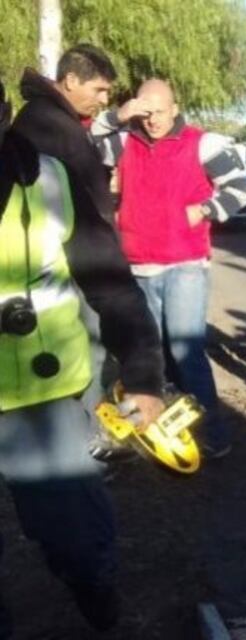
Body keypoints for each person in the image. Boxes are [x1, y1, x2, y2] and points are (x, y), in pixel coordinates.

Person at [0, 79, 165, 636]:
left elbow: (112, 287)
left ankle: (97, 595)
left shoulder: (48, 179)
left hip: (42, 404)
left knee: (78, 540)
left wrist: (143, 374)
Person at [90, 78, 246, 459]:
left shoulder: (203, 143)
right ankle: (151, 431)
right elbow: (85, 146)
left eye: (159, 112)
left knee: (186, 352)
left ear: (175, 108)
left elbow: (243, 187)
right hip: (138, 267)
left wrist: (204, 210)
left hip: (185, 266)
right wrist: (119, 116)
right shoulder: (124, 140)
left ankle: (213, 434)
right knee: (146, 355)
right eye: (145, 112)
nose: (151, 121)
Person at [12, 44, 129, 460]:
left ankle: (86, 434)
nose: (104, 99)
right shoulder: (50, 124)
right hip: (73, 264)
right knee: (87, 352)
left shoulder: (55, 119)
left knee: (89, 351)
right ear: (71, 80)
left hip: (72, 259)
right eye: (99, 90)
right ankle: (88, 442)